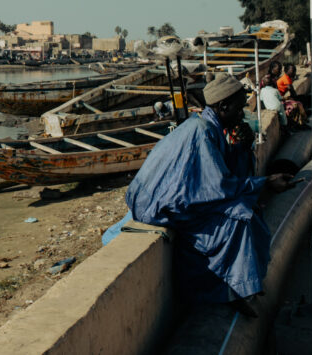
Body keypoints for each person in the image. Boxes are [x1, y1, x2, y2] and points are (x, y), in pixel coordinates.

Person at [125, 75, 294, 316]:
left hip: (164, 197)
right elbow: (219, 186)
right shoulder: (202, 132)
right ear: (223, 107)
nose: (242, 112)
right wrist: (265, 183)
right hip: (155, 204)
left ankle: (246, 282)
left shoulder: (209, 127)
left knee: (245, 209)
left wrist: (241, 148)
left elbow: (221, 170)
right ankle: (229, 289)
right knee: (240, 219)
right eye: (239, 106)